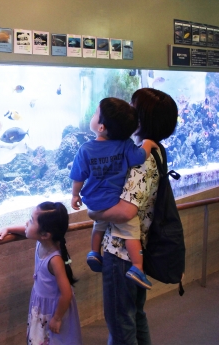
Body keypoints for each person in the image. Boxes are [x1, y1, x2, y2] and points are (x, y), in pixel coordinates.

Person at [90, 88, 178, 344]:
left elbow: (126, 210)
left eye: (131, 106)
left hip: (121, 253)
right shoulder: (154, 150)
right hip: (138, 248)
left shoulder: (143, 159)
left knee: (120, 321)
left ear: (140, 117)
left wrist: (93, 211)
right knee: (135, 314)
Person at [70, 97, 157, 290]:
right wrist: (148, 144)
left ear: (101, 127)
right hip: (115, 200)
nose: (93, 115)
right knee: (131, 231)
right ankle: (137, 266)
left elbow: (78, 176)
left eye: (95, 113)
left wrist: (75, 195)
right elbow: (139, 157)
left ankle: (94, 252)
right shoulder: (125, 145)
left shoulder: (85, 149)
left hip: (93, 200)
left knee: (99, 224)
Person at [0, 201, 83, 345]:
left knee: (56, 340)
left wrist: (57, 318)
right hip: (41, 305)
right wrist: (8, 228)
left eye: (30, 220)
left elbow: (66, 293)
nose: (26, 223)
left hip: (54, 309)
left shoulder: (54, 260)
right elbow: (26, 230)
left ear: (45, 234)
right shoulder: (42, 241)